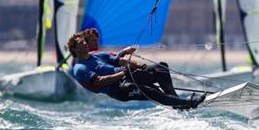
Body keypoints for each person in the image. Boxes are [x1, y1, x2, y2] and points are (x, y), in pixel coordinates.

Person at [68, 30, 204, 109]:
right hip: (119, 89)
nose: (85, 44)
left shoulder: (97, 55)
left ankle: (177, 102)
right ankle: (188, 103)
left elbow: (121, 60)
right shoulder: (80, 68)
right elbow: (99, 81)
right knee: (152, 91)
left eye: (85, 42)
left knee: (160, 68)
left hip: (126, 77)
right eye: (81, 43)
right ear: (74, 49)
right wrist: (122, 73)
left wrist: (142, 66)